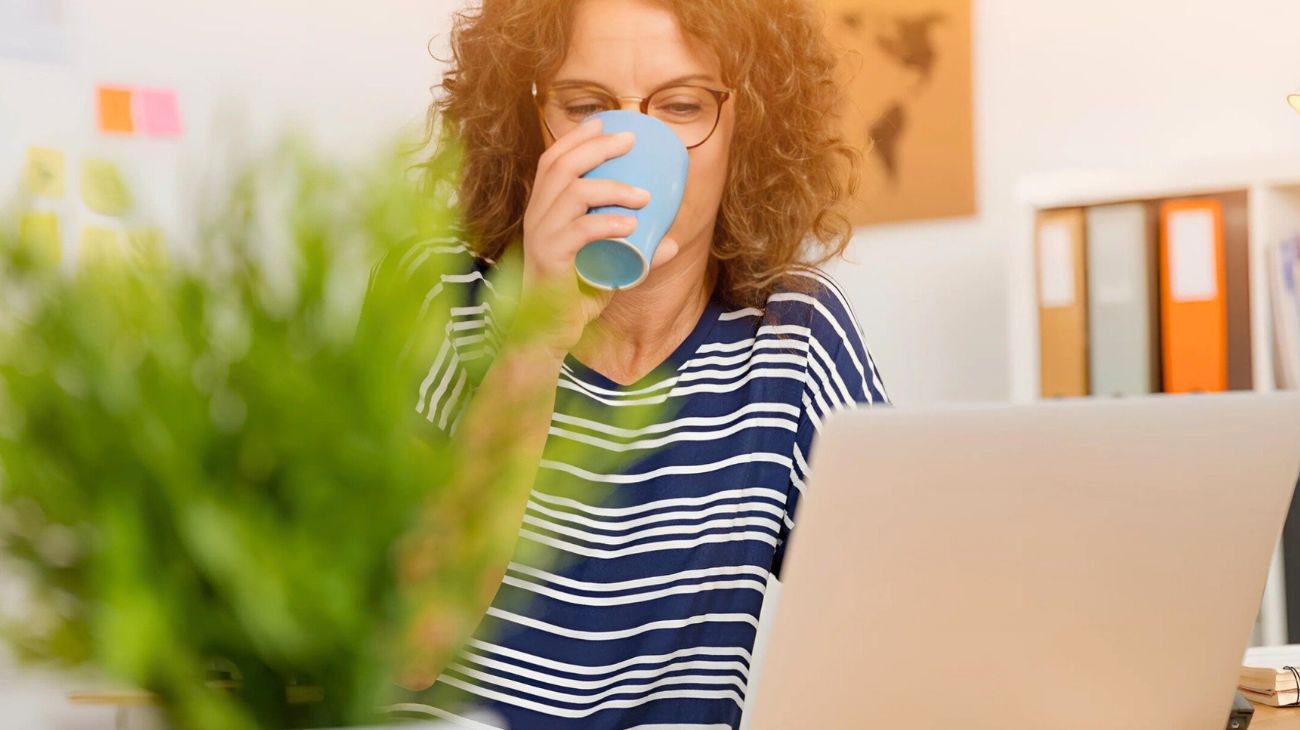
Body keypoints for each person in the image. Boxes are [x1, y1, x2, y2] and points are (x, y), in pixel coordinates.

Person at [389, 0, 890, 727]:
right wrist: (536, 339)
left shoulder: (794, 339)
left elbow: (899, 619)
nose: (628, 146)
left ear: (745, 128)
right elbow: (409, 645)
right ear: (530, 123)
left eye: (683, 104)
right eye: (586, 106)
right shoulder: (438, 299)